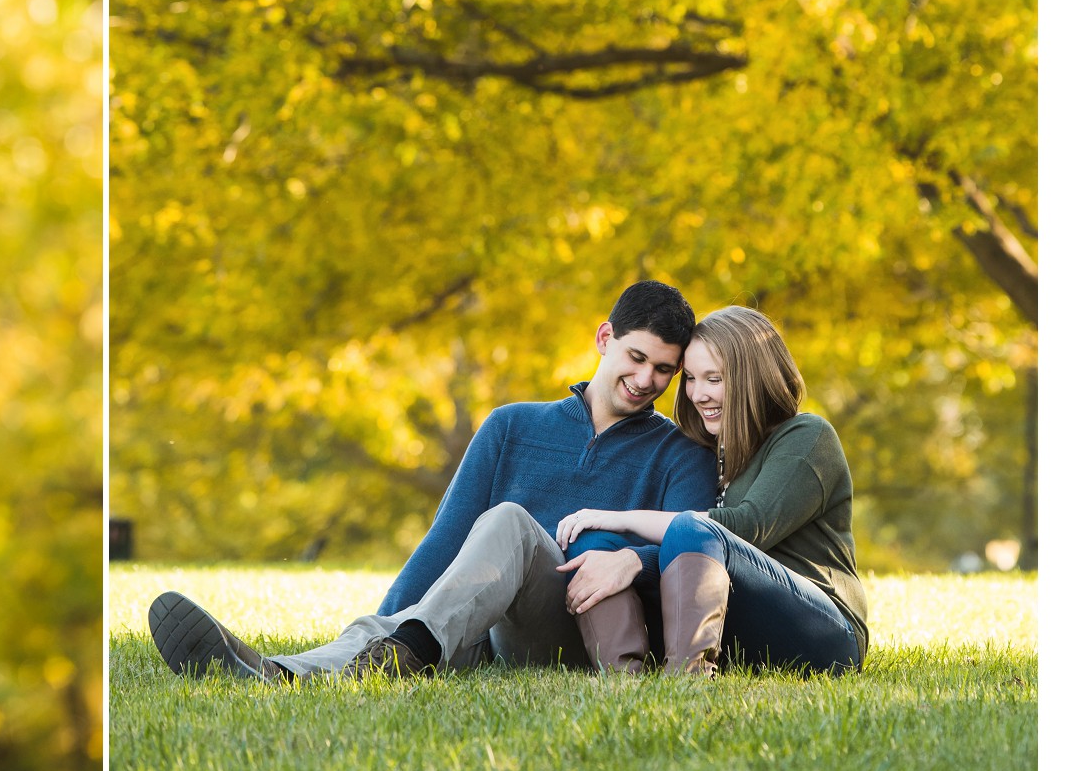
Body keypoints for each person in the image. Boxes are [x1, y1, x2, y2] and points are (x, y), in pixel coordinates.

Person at [148, 280, 717, 682]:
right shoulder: (512, 427)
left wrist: (633, 561)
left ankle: (405, 651)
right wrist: (388, 623)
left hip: (578, 632)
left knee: (510, 523)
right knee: (404, 613)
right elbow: (445, 543)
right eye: (636, 357)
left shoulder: (678, 454)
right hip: (476, 633)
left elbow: (689, 556)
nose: (646, 379)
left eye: (664, 369)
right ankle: (278, 672)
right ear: (603, 338)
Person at [554, 306, 866, 676]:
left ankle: (688, 677)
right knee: (595, 543)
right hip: (740, 628)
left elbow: (746, 525)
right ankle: (624, 678)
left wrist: (623, 522)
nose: (698, 394)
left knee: (688, 527)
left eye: (714, 379)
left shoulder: (807, 437)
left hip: (825, 632)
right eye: (690, 378)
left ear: (752, 377)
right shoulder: (711, 451)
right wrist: (612, 543)